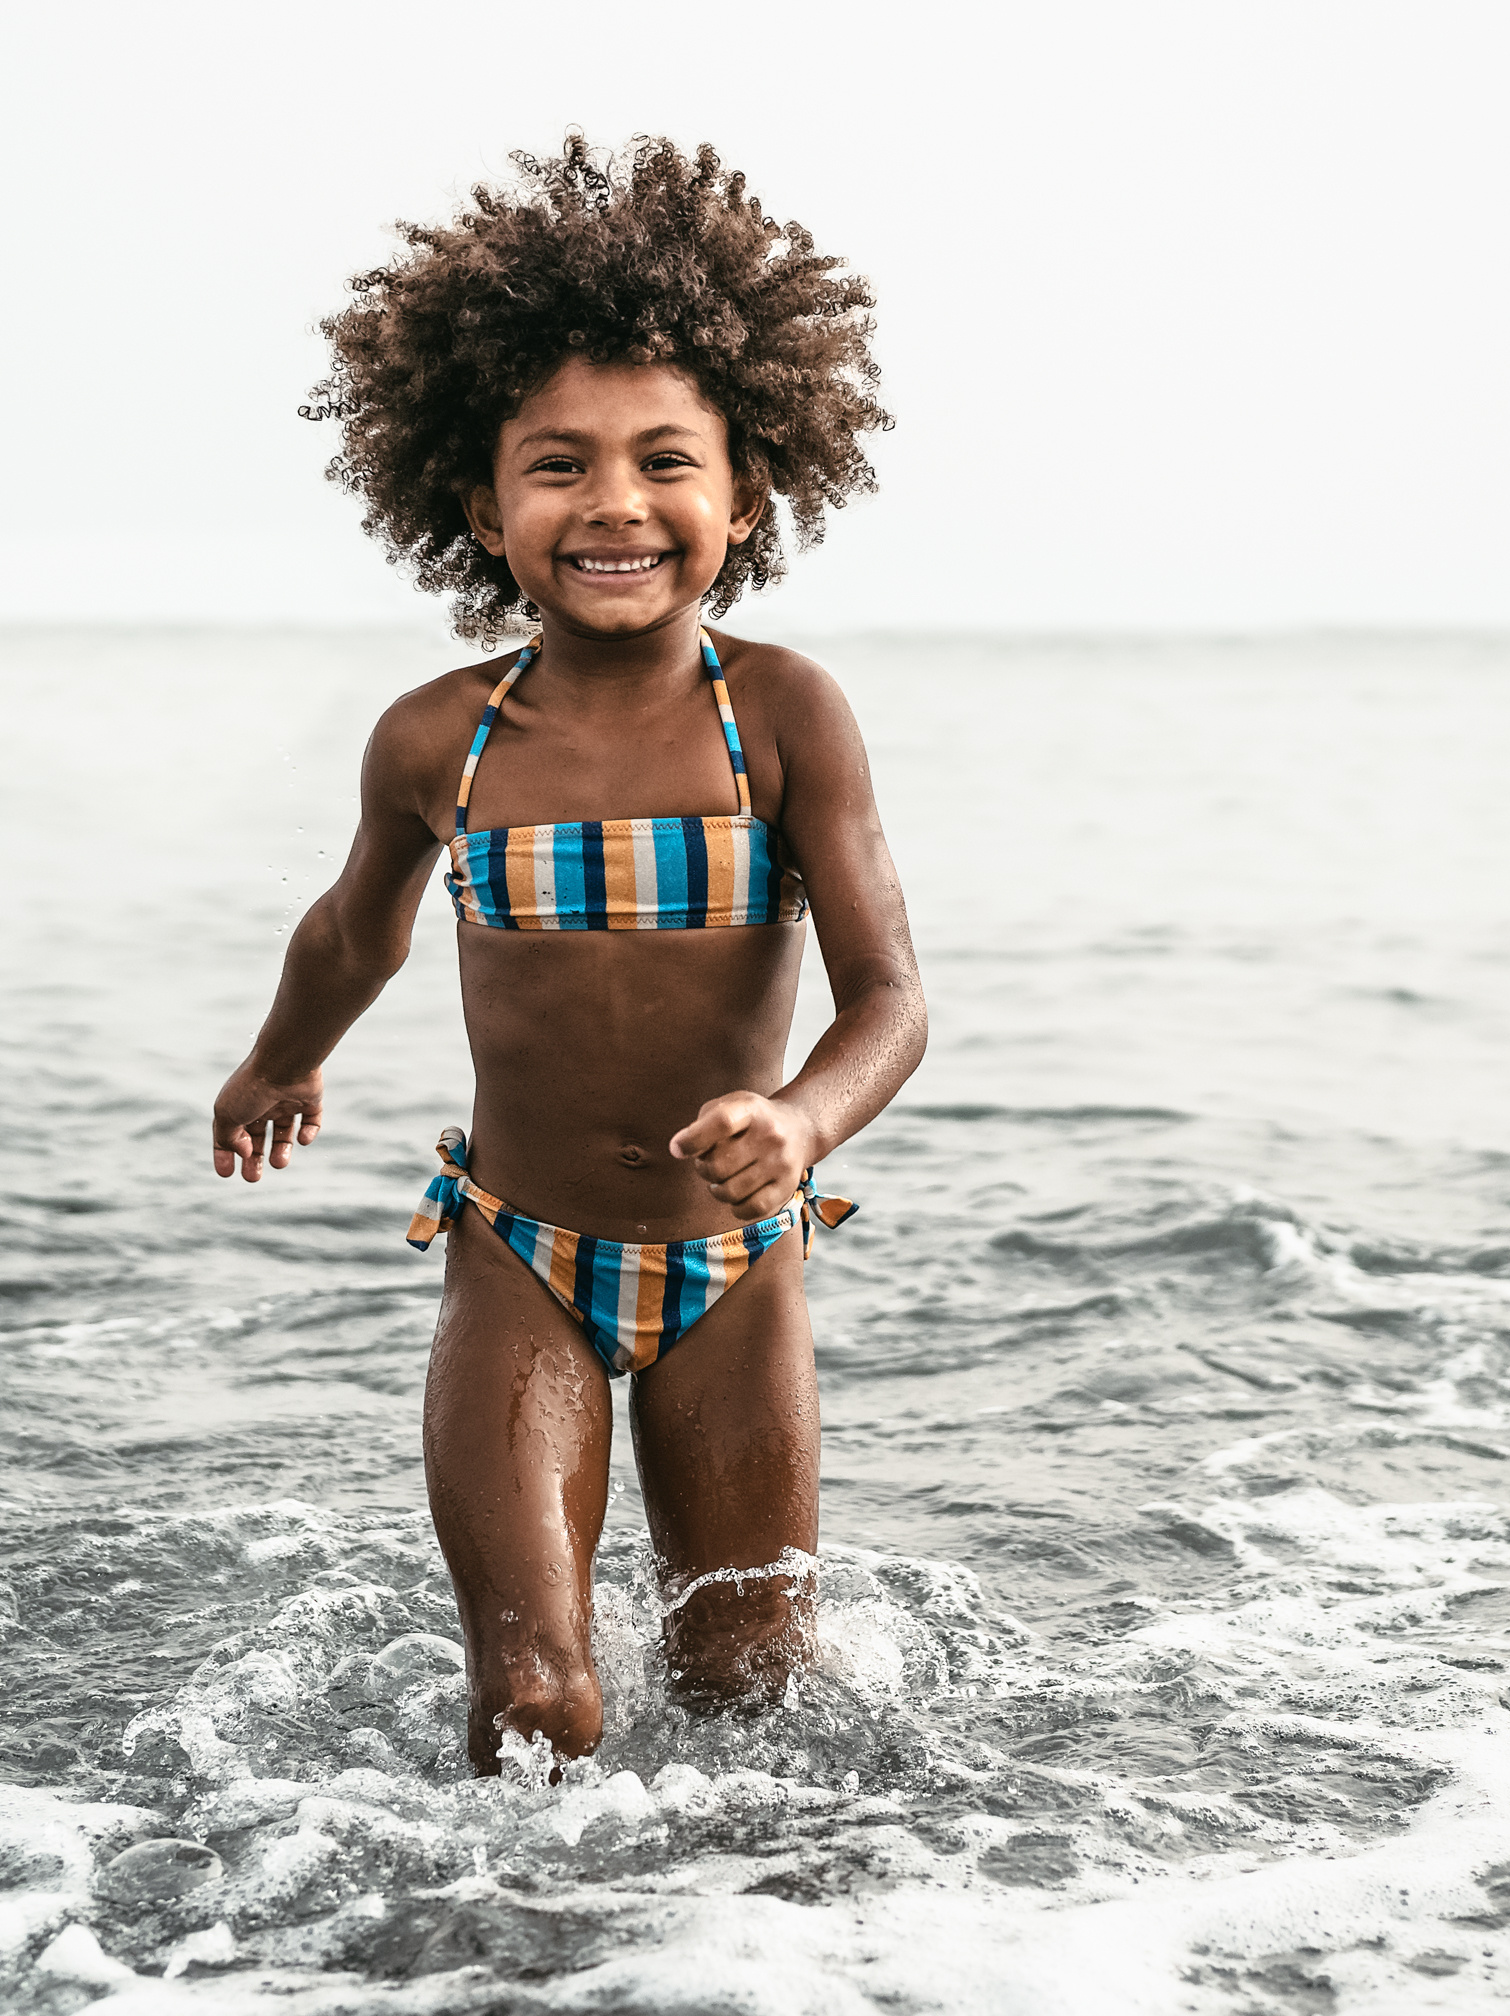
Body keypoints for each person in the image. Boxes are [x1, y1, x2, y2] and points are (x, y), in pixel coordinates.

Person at [207, 136, 923, 1774]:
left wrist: (805, 1121)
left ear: (745, 497)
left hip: (735, 1278)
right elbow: (351, 931)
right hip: (518, 1256)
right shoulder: (438, 743)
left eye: (668, 461)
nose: (615, 503)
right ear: (480, 506)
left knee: (754, 1689)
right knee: (534, 1705)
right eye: (558, 467)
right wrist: (281, 1056)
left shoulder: (785, 717)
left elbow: (891, 997)